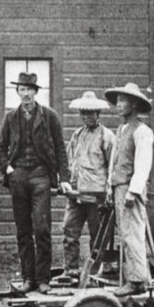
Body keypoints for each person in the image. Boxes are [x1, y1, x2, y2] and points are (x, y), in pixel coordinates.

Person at [0, 72, 72, 294]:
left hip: (41, 176)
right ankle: (28, 278)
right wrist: (7, 168)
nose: (25, 94)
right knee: (23, 230)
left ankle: (44, 280)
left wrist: (64, 178)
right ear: (17, 92)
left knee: (42, 228)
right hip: (18, 177)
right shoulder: (11, 118)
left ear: (36, 92)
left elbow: (60, 148)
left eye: (29, 90)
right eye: (21, 90)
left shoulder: (49, 116)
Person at [104, 82, 154, 297]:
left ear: (133, 104)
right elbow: (115, 161)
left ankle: (137, 281)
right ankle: (136, 277)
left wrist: (133, 191)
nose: (118, 105)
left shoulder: (142, 131)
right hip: (119, 187)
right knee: (125, 235)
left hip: (130, 190)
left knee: (133, 234)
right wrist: (109, 186)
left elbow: (143, 164)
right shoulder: (122, 129)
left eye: (123, 101)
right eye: (117, 101)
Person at [62, 91, 116, 278]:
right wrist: (68, 184)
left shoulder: (106, 136)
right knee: (69, 230)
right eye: (84, 112)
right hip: (76, 195)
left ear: (98, 114)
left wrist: (109, 191)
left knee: (98, 236)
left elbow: (112, 166)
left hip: (96, 196)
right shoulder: (77, 135)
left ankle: (95, 273)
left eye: (91, 112)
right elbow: (70, 162)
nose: (87, 116)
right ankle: (71, 270)